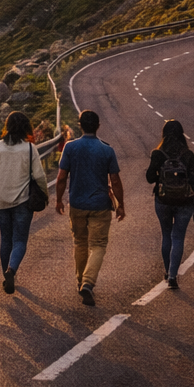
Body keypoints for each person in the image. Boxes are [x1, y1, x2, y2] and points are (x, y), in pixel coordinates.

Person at [0, 111, 68, 294]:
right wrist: (45, 195)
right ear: (26, 128)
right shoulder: (29, 149)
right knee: (19, 240)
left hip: (0, 201)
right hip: (22, 202)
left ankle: (6, 274)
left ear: (7, 127)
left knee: (5, 239)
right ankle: (11, 270)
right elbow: (39, 176)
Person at [54, 109, 125, 306]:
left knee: (79, 242)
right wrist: (121, 206)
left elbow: (61, 178)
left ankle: (81, 281)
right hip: (100, 205)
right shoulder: (107, 150)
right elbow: (116, 181)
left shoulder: (70, 147)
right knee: (98, 245)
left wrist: (59, 200)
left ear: (80, 125)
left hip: (77, 204)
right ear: (98, 126)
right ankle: (88, 282)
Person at [145, 118, 194, 289]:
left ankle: (167, 270)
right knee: (178, 237)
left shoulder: (158, 153)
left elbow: (149, 178)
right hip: (185, 202)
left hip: (163, 200)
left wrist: (160, 177)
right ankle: (172, 275)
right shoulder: (188, 155)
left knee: (166, 234)